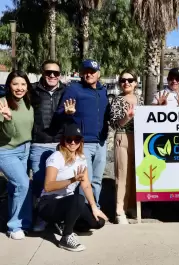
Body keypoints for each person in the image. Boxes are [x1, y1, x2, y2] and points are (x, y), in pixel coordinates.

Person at [37, 123, 107, 252]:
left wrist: (94, 207)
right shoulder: (56, 157)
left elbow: (85, 185)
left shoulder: (81, 158)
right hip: (49, 204)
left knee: (98, 222)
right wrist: (72, 180)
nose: (73, 143)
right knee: (78, 199)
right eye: (69, 139)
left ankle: (64, 223)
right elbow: (48, 186)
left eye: (77, 139)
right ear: (63, 140)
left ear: (81, 141)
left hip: (68, 203)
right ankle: (66, 237)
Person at [57, 59, 109, 208]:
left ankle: (95, 209)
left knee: (97, 180)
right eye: (85, 71)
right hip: (83, 143)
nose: (89, 74)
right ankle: (83, 212)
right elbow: (60, 112)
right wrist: (67, 113)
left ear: (98, 74)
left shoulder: (103, 91)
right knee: (85, 179)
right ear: (81, 73)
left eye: (92, 72)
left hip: (101, 142)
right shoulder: (74, 89)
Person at [29, 60, 67, 232]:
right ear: (42, 73)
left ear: (60, 74)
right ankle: (41, 218)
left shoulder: (66, 90)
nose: (52, 75)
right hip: (39, 143)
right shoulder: (32, 90)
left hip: (61, 144)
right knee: (39, 183)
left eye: (56, 73)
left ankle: (59, 218)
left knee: (61, 184)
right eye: (48, 72)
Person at [0, 71, 34, 240]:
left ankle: (25, 223)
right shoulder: (2, 103)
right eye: (15, 84)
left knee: (16, 188)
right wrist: (7, 118)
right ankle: (14, 226)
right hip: (6, 151)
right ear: (9, 86)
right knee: (23, 184)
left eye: (23, 84)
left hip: (25, 149)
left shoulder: (28, 103)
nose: (19, 88)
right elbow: (8, 134)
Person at [110, 69, 143, 224]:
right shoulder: (117, 100)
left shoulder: (140, 99)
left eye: (130, 80)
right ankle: (119, 210)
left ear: (135, 83)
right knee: (122, 175)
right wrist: (127, 117)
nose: (126, 83)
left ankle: (131, 206)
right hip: (123, 137)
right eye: (123, 80)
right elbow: (115, 123)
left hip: (139, 139)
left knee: (135, 175)